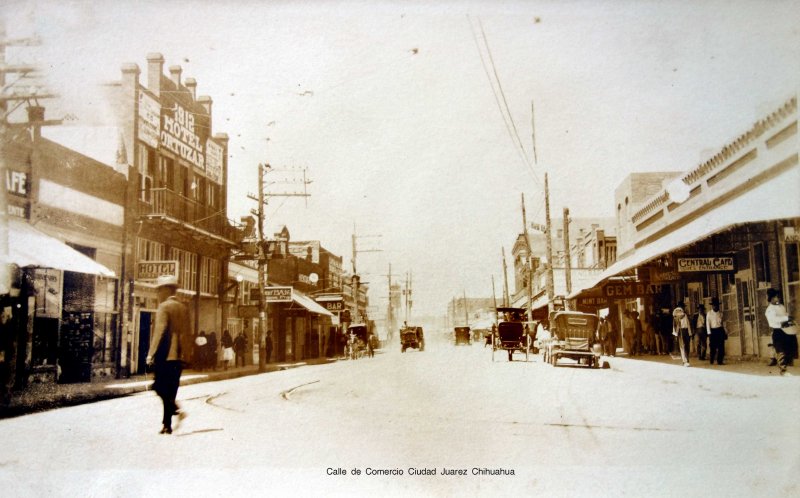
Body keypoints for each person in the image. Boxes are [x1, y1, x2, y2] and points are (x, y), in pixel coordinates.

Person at [146, 275, 189, 435]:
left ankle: (176, 410)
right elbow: (187, 333)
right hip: (179, 356)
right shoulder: (183, 307)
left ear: (166, 290)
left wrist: (151, 354)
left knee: (157, 387)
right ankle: (167, 425)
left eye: (159, 290)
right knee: (171, 390)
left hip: (165, 355)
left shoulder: (164, 306)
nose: (158, 293)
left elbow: (159, 331)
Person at [765, 288, 795, 376]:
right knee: (780, 351)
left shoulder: (781, 306)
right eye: (776, 297)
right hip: (778, 331)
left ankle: (787, 367)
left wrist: (789, 318)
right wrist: (786, 318)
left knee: (787, 348)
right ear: (772, 298)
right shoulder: (770, 309)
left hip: (786, 329)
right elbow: (774, 319)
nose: (778, 298)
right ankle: (783, 370)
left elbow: (785, 314)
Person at [706, 297, 725, 365]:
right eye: (714, 305)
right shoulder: (709, 313)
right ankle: (712, 360)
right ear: (712, 306)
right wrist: (709, 333)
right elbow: (707, 324)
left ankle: (720, 361)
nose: (715, 306)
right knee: (712, 347)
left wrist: (724, 332)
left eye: (716, 305)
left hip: (720, 330)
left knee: (721, 347)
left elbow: (723, 323)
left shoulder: (720, 313)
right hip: (713, 331)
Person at [673, 301, 691, 367]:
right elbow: (675, 325)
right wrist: (676, 334)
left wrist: (690, 333)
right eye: (680, 307)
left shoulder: (686, 315)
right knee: (682, 346)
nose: (682, 308)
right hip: (681, 331)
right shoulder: (676, 316)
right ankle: (684, 361)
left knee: (687, 346)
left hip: (686, 331)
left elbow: (688, 324)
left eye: (682, 307)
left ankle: (687, 359)